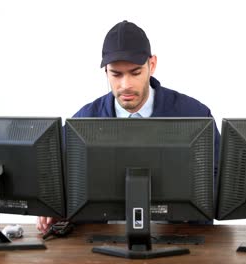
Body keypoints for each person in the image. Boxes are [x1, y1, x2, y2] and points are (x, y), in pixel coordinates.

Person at [37, 20, 220, 234]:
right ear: (106, 71)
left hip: (182, 235)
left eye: (135, 72)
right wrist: (53, 203)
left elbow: (217, 181)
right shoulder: (84, 122)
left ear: (152, 65)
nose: (125, 85)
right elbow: (58, 178)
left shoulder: (195, 116)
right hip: (102, 239)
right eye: (116, 74)